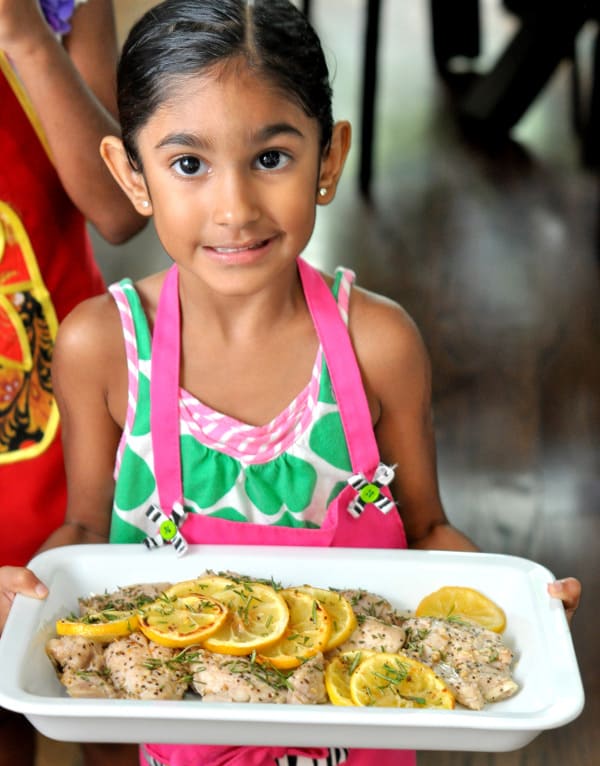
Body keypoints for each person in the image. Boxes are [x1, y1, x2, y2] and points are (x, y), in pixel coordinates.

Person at [0, 1, 581, 765]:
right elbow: (83, 538)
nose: (235, 209)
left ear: (329, 160)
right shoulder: (99, 347)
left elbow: (428, 532)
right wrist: (28, 593)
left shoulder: (379, 344)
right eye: (187, 164)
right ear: (130, 175)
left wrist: (514, 611)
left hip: (357, 726)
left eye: (271, 158)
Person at [0, 1, 145, 764]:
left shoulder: (60, 8)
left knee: (100, 678)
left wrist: (23, 32)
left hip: (69, 437)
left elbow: (122, 210)